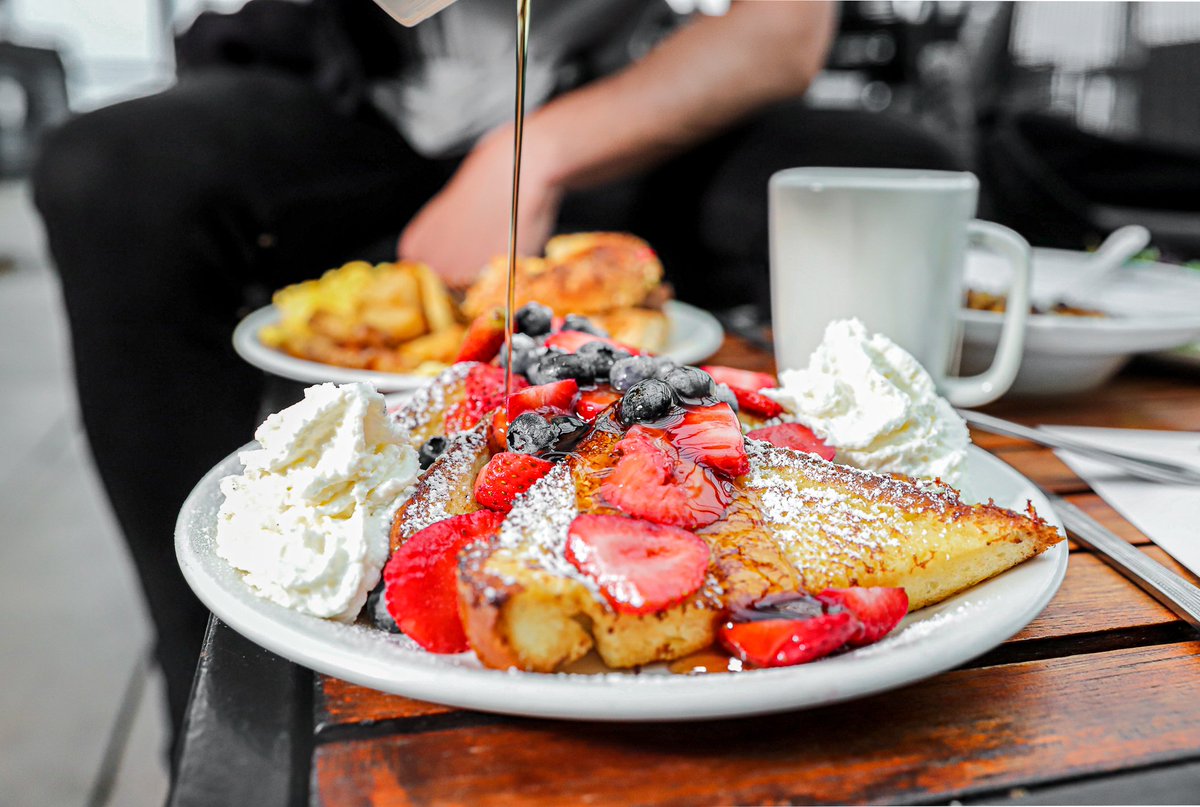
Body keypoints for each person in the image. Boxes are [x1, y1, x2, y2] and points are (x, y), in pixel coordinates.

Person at [31, 0, 959, 752]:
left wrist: (533, 149)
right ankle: (217, 691)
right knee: (109, 173)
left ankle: (803, 509)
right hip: (350, 96)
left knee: (889, 166)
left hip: (605, 110)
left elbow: (785, 27)